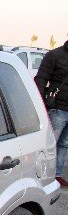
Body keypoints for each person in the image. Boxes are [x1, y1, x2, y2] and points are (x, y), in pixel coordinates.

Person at [35, 38, 68, 188]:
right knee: (50, 144)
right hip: (57, 108)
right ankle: (44, 174)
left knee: (64, 144)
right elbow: (41, 78)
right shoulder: (54, 55)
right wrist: (40, 102)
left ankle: (57, 174)